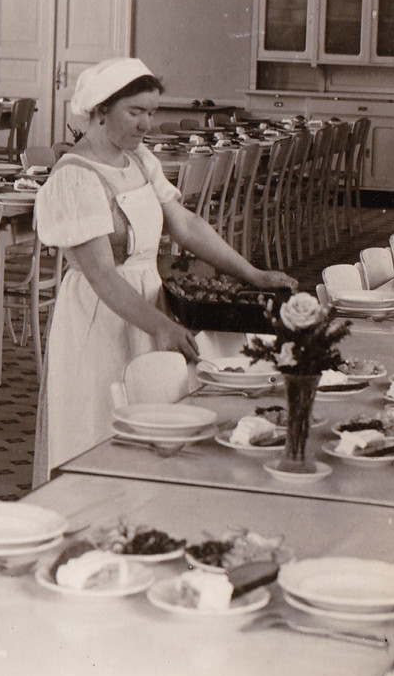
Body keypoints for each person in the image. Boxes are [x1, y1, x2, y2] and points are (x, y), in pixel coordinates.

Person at [31, 58, 295, 485]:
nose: (147, 125)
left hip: (150, 304)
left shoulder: (138, 160)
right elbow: (101, 275)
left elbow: (187, 225)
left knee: (157, 423)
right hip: (101, 317)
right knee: (102, 426)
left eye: (152, 112)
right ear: (100, 111)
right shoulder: (73, 178)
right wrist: (162, 326)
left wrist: (254, 275)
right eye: (136, 112)